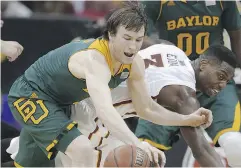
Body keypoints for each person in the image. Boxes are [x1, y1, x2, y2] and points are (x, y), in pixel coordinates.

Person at [7, 2, 211, 167]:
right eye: (127, 38)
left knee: (28, 164)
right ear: (111, 34)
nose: (133, 46)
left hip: (63, 102)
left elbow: (146, 108)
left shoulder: (134, 62)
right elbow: (105, 111)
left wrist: (187, 119)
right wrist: (137, 144)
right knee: (82, 151)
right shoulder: (95, 61)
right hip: (33, 95)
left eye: (139, 39)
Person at [137, 1, 241, 167]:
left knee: (234, 142)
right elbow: (200, 149)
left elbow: (237, 36)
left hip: (210, 75)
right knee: (143, 153)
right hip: (170, 80)